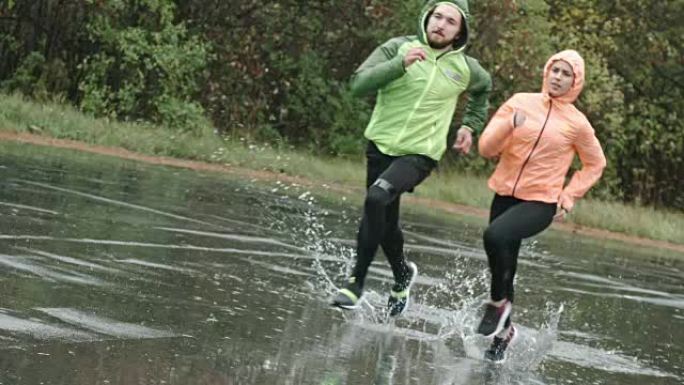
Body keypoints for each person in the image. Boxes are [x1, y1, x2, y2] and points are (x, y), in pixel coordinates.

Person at [331, 0, 492, 317]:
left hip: (420, 153)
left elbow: (483, 89)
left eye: (450, 22)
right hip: (381, 145)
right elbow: (358, 85)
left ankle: (355, 282)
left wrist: (470, 126)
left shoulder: (465, 68)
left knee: (376, 199)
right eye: (437, 17)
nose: (441, 25)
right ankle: (402, 274)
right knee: (386, 223)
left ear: (460, 32)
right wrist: (400, 64)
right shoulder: (397, 48)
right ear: (427, 17)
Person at [476, 50, 607, 361]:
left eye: (566, 74)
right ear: (546, 72)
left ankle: (497, 305)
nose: (558, 77)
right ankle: (506, 333)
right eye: (555, 70)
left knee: (494, 236)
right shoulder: (520, 101)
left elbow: (595, 163)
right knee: (506, 263)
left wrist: (569, 194)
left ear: (576, 82)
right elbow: (486, 148)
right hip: (505, 193)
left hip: (542, 201)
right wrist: (509, 125)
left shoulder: (577, 124)